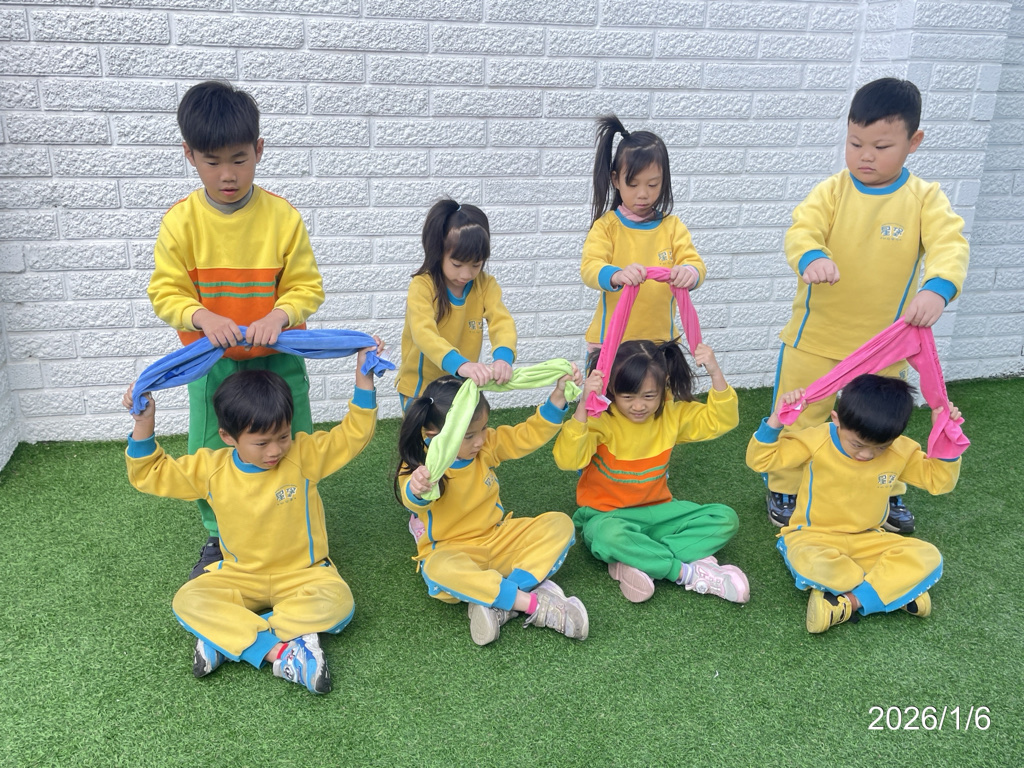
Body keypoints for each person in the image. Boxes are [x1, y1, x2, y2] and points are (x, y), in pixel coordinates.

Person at [766, 77, 969, 532]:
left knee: (882, 423)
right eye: (855, 143)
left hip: (883, 348)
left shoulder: (925, 198)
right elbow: (802, 229)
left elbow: (950, 244)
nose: (865, 156)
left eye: (881, 146)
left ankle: (887, 490)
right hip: (814, 339)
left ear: (914, 142)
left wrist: (937, 288)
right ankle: (785, 484)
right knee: (801, 413)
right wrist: (811, 256)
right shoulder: (833, 191)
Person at [123, 340, 381, 693]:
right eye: (261, 443)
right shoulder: (211, 469)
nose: (275, 450)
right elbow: (149, 473)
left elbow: (354, 434)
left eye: (283, 436)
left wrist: (364, 379)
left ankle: (226, 638)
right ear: (228, 437)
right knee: (187, 600)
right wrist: (144, 421)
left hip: (304, 575)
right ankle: (282, 651)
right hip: (239, 576)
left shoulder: (303, 455)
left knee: (340, 603)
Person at [147, 80, 325, 578]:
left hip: (279, 357)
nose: (227, 174)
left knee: (293, 442)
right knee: (210, 449)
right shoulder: (180, 223)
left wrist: (279, 315)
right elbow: (165, 293)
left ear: (259, 150)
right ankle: (220, 536)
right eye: (212, 161)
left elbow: (307, 287)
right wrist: (202, 317)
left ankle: (295, 529)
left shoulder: (282, 217)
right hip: (212, 364)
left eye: (240, 159)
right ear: (189, 155)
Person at [746, 374, 962, 633]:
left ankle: (849, 602)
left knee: (928, 556)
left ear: (896, 437)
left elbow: (938, 481)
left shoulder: (901, 450)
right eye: (857, 444)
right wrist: (775, 421)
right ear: (836, 419)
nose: (867, 454)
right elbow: (760, 461)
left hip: (869, 539)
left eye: (881, 447)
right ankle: (893, 591)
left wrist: (946, 438)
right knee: (821, 566)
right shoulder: (817, 440)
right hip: (812, 538)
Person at [394, 372, 589, 646]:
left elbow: (525, 435)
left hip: (498, 538)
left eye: (484, 428)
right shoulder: (420, 464)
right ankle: (530, 603)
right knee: (437, 568)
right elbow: (411, 499)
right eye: (468, 436)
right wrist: (418, 488)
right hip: (454, 552)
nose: (480, 440)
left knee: (560, 524)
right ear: (434, 434)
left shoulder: (485, 446)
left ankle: (498, 602)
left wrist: (558, 397)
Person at [553, 339, 749, 605]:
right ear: (612, 389)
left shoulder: (672, 415)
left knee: (725, 519)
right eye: (627, 397)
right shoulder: (601, 420)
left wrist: (715, 372)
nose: (638, 406)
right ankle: (684, 572)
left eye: (648, 396)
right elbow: (567, 459)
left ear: (664, 386)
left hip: (659, 512)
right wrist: (583, 406)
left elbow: (722, 420)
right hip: (607, 517)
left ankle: (639, 559)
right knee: (608, 537)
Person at [582, 115, 707, 352]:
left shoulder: (672, 227)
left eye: (652, 185)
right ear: (615, 180)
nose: (643, 194)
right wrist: (617, 275)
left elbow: (695, 264)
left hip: (661, 344)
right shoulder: (607, 226)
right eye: (633, 184)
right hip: (612, 344)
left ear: (663, 181)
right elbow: (590, 267)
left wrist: (688, 273)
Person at [396, 198, 517, 409]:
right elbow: (423, 333)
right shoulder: (423, 285)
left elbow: (502, 322)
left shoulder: (485, 285)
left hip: (459, 387)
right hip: (421, 390)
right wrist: (461, 365)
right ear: (438, 252)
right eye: (457, 264)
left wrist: (503, 357)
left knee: (465, 432)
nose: (466, 274)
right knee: (429, 433)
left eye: (476, 265)